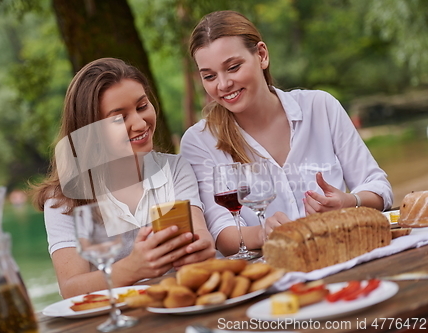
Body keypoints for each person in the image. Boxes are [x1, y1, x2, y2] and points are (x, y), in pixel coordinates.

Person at [180, 11, 393, 257]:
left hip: (344, 253)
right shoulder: (200, 141)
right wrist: (263, 233)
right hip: (275, 270)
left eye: (233, 67)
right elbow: (220, 234)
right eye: (209, 76)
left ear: (261, 55)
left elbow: (379, 188)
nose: (223, 84)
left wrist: (349, 201)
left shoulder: (320, 106)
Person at [31, 58, 215, 298]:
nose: (140, 123)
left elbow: (198, 237)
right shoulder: (63, 199)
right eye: (118, 118)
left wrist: (199, 248)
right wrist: (132, 268)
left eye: (141, 106)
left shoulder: (175, 169)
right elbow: (71, 289)